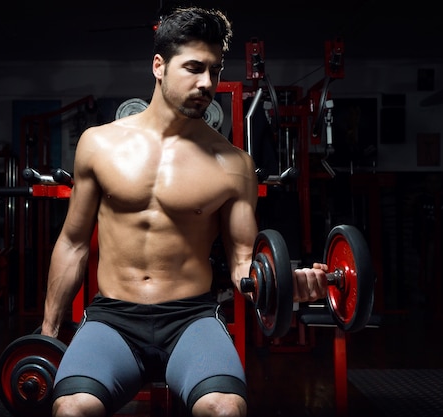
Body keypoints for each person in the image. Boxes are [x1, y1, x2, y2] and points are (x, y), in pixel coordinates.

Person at [41, 6, 328, 417]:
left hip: (190, 317)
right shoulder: (99, 145)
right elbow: (71, 244)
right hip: (113, 317)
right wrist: (48, 335)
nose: (207, 82)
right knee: (71, 410)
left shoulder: (233, 165)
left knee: (226, 410)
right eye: (194, 68)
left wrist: (281, 283)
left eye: (213, 70)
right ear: (158, 65)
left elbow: (242, 263)